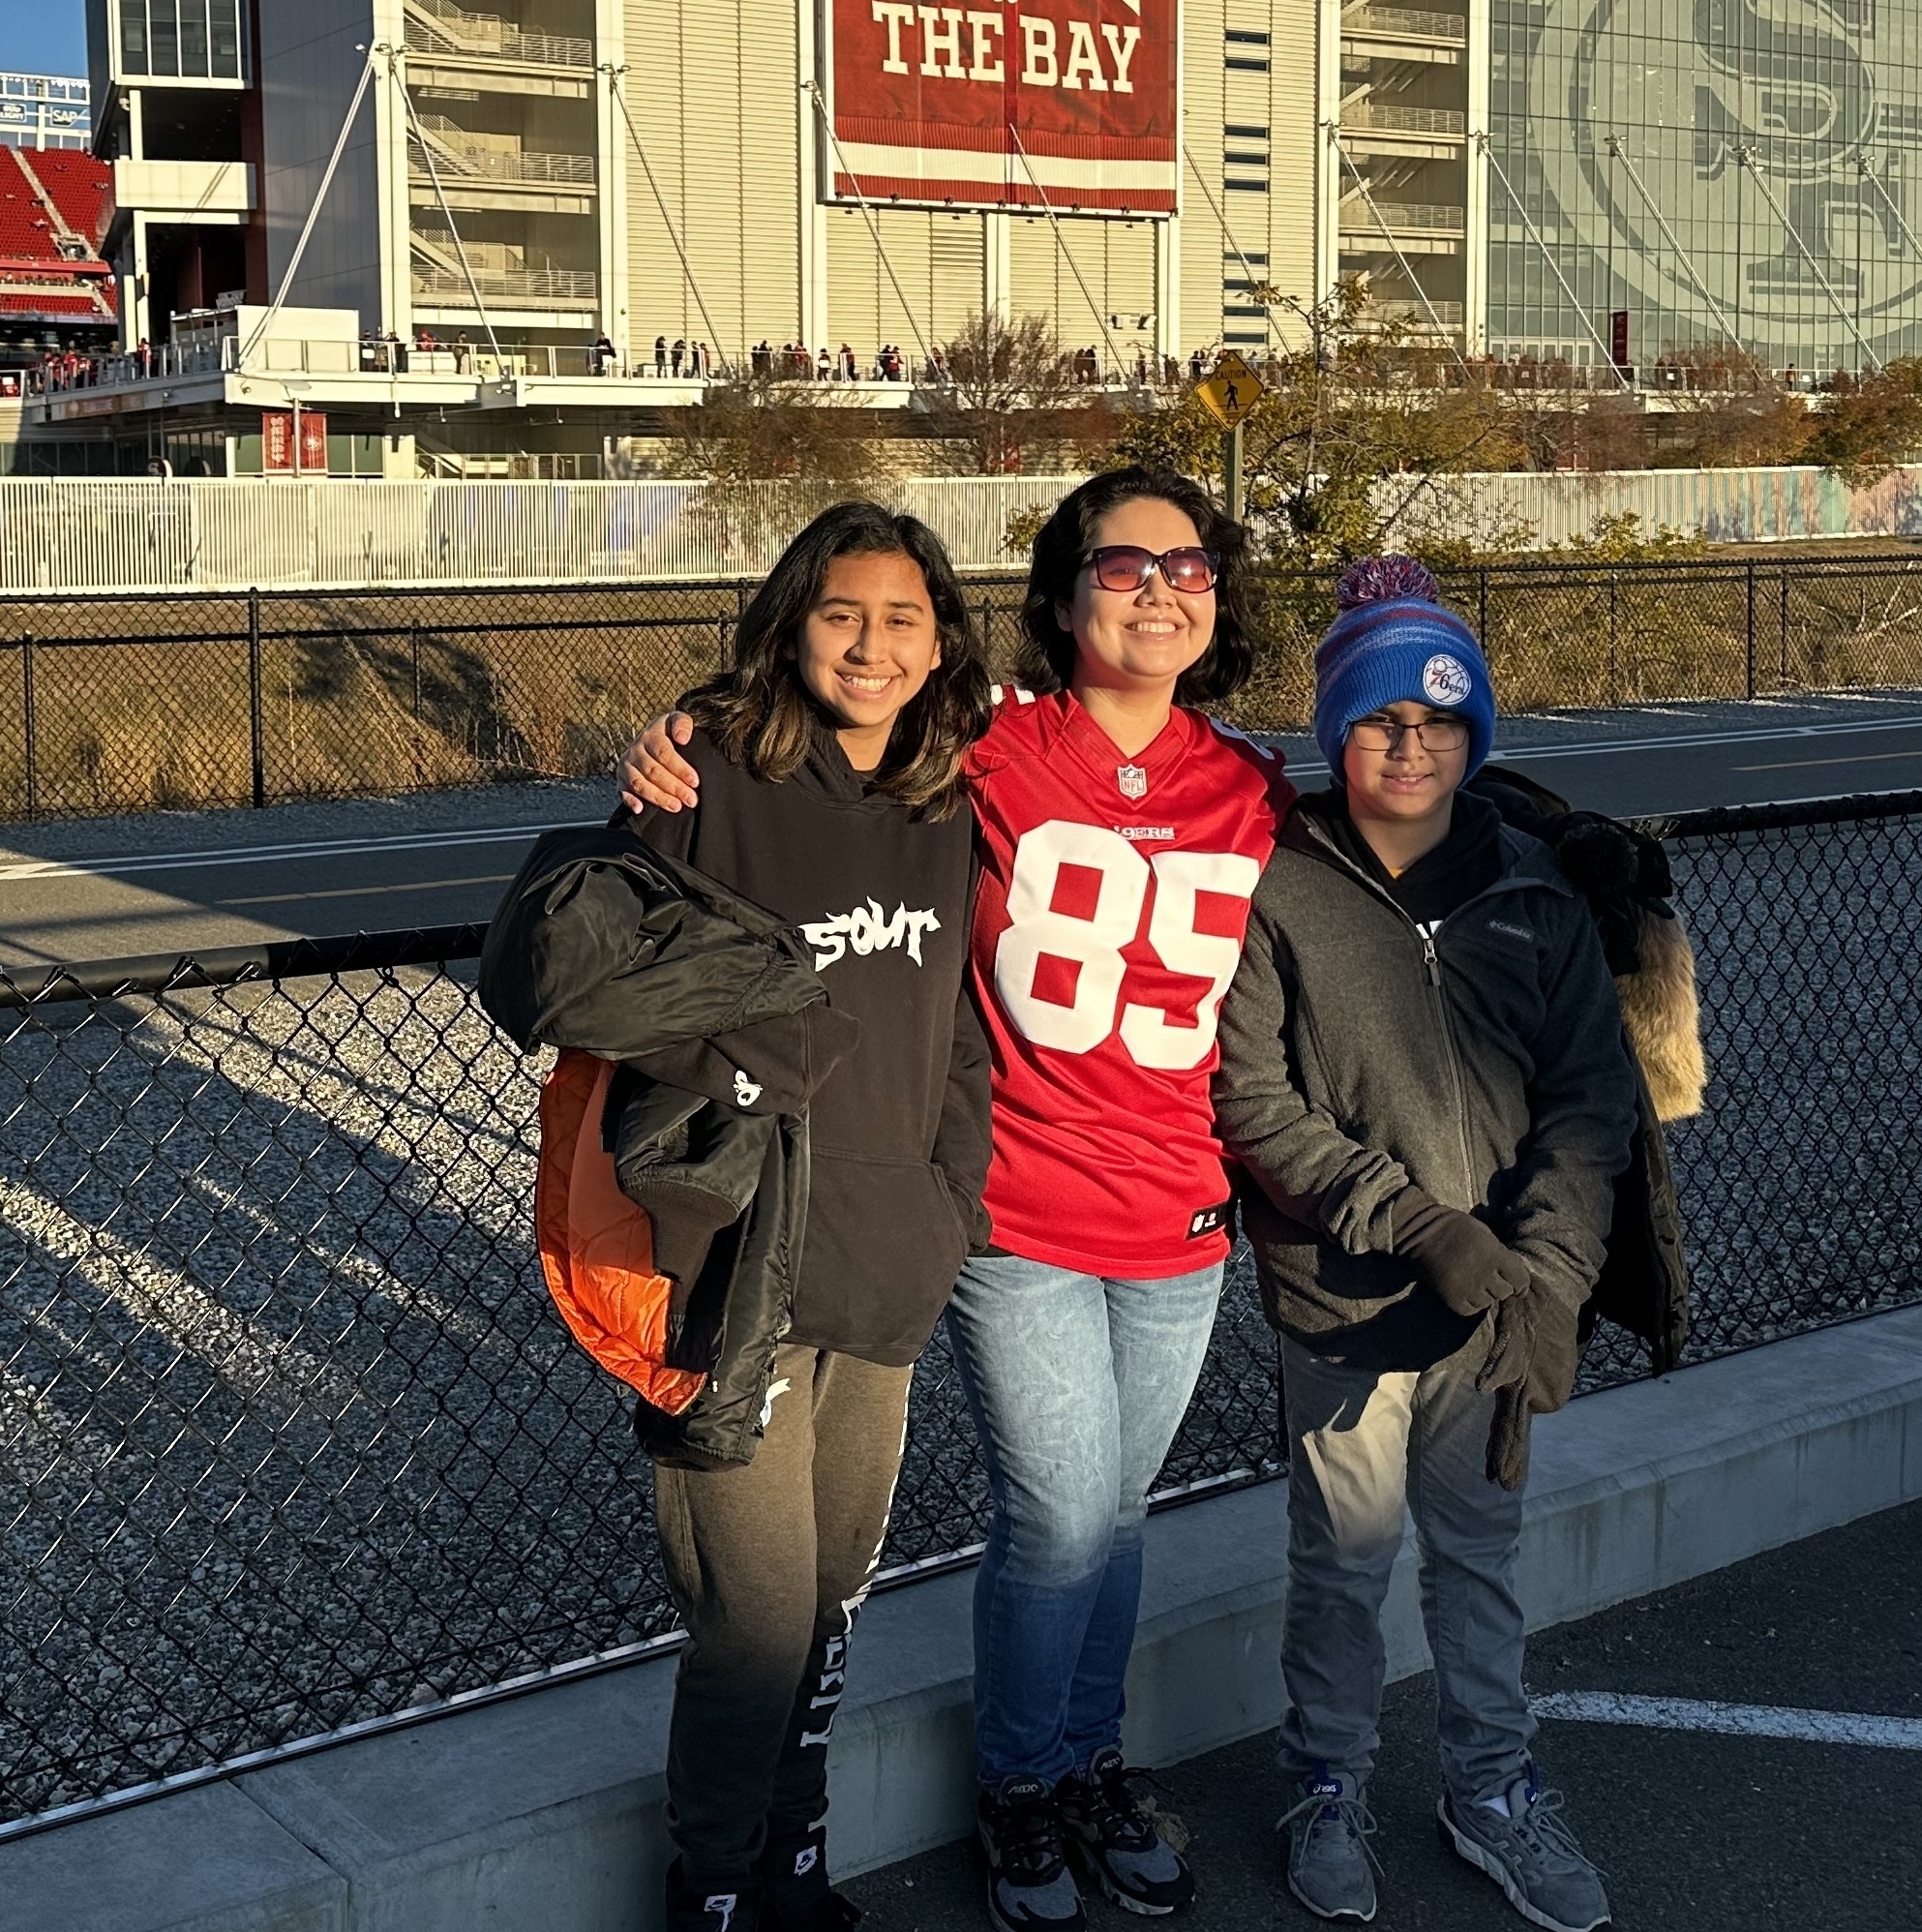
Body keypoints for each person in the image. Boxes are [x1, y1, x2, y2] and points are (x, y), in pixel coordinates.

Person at [624, 464, 1287, 1926]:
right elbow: (807, 733)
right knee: (1056, 1516)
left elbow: (1364, 882)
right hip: (1015, 1213)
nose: (1160, 590)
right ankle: (1017, 1789)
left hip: (1174, 1211)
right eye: (1122, 566)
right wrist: (677, 732)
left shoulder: (1252, 784)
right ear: (1060, 594)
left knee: (1116, 1516)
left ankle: (1085, 1763)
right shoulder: (980, 750)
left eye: (1188, 566)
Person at [497, 502, 1002, 1930]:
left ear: (940, 643)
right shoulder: (704, 773)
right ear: (792, 621)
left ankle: (794, 1857)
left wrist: (941, 1202)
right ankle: (713, 1880)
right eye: (844, 612)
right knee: (755, 1624)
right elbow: (582, 972)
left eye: (905, 619)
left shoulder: (944, 798)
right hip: (732, 1281)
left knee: (831, 1613)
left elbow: (959, 1029)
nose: (873, 643)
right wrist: (735, 1084)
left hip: (886, 1268)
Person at [1210, 558, 1640, 1932]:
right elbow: (1251, 1099)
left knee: (1479, 1555)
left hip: (1501, 1305)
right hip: (1341, 1298)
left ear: (1479, 736)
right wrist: (1413, 1222)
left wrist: (1555, 1279)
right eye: (1383, 721)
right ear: (1341, 729)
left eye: (1443, 723)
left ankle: (1492, 1787)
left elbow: (1592, 1100)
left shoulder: (1536, 891)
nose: (1412, 746)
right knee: (1341, 1560)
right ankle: (1325, 1783)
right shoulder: (1281, 891)